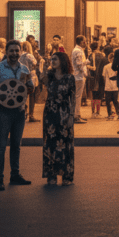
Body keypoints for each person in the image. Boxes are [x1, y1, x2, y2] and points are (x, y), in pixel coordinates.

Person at [0, 39, 36, 191]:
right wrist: (4, 94)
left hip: (19, 112)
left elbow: (30, 89)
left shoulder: (25, 69)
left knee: (16, 146)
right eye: (11, 51)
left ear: (20, 52)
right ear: (6, 52)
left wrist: (30, 87)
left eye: (17, 50)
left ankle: (15, 175)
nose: (14, 53)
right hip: (3, 112)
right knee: (1, 146)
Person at [42, 51, 76, 186]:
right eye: (51, 59)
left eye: (55, 59)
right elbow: (40, 84)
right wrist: (45, 70)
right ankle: (51, 175)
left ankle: (67, 176)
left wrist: (71, 116)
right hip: (50, 113)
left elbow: (73, 98)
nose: (52, 61)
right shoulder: (49, 77)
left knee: (65, 144)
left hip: (64, 113)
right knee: (50, 143)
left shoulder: (70, 78)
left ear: (62, 60)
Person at [19, 40, 40, 122]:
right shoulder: (29, 55)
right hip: (31, 76)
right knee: (32, 96)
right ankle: (31, 115)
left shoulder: (20, 55)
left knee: (23, 96)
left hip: (21, 76)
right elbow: (35, 64)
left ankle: (23, 113)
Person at [102, 51, 119, 119]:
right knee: (116, 101)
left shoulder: (106, 66)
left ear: (109, 59)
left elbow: (103, 76)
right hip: (115, 87)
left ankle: (110, 115)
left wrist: (105, 83)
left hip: (107, 87)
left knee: (108, 102)